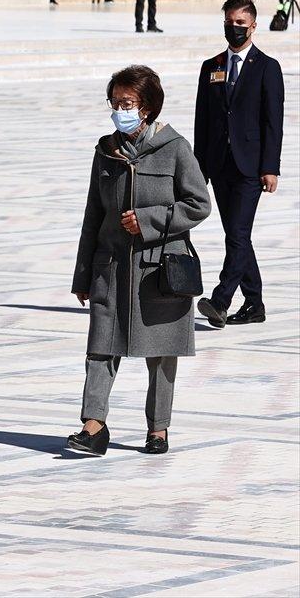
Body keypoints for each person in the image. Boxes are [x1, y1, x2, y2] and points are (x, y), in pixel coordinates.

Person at [67, 65, 210, 457]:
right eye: (114, 102)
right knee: (100, 345)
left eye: (126, 102)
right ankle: (93, 426)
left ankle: (158, 428)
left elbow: (199, 204)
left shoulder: (175, 148)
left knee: (161, 354)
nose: (119, 109)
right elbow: (92, 214)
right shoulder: (105, 150)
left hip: (159, 269)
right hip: (111, 266)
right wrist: (83, 274)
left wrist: (148, 220)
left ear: (146, 107)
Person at [194, 0, 285, 330]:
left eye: (240, 24)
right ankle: (255, 303)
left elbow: (273, 122)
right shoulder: (212, 66)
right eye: (228, 22)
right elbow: (202, 119)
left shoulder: (267, 67)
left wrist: (270, 167)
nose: (233, 28)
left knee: (237, 234)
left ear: (253, 27)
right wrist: (199, 166)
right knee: (237, 235)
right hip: (219, 164)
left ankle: (220, 299)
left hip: (251, 166)